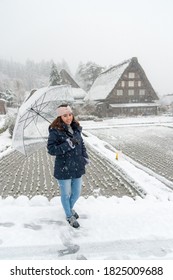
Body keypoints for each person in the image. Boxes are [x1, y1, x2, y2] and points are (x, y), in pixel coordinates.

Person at [47, 104, 89, 228]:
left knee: (76, 193)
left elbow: (82, 145)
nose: (68, 117)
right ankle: (69, 215)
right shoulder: (55, 131)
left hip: (77, 165)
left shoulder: (76, 129)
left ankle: (69, 209)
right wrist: (68, 143)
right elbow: (51, 149)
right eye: (65, 115)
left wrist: (85, 157)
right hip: (63, 167)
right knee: (65, 194)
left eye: (70, 114)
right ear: (60, 117)